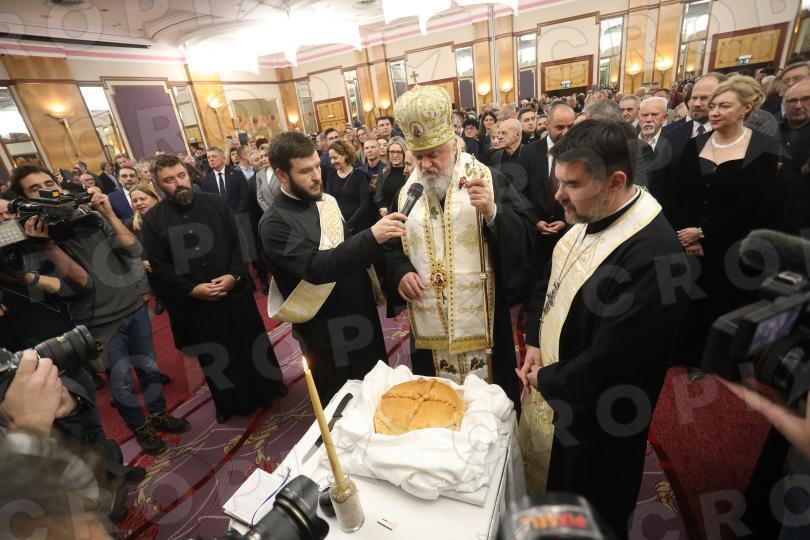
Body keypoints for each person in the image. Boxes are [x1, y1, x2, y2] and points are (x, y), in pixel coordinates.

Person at [517, 119, 689, 538]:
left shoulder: (656, 258)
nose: (558, 195)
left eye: (572, 184)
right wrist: (536, 339)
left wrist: (545, 379)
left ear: (615, 181)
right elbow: (550, 280)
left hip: (598, 424)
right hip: (559, 389)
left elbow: (614, 364)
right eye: (559, 181)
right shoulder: (592, 214)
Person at [9, 165, 189, 455]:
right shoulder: (30, 242)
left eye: (49, 183)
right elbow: (82, 283)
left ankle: (159, 414)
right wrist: (47, 245)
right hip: (98, 322)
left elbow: (134, 250)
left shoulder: (89, 216)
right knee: (122, 384)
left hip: (132, 306)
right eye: (35, 189)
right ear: (24, 201)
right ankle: (140, 428)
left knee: (149, 369)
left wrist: (108, 213)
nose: (46, 191)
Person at [384, 85, 535, 406]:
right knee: (439, 407)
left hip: (483, 320)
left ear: (453, 145)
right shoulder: (406, 192)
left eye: (433, 155)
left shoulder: (488, 179)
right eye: (419, 157)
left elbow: (525, 235)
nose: (426, 165)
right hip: (430, 323)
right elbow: (390, 245)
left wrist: (493, 213)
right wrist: (400, 271)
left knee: (492, 407)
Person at [141, 154, 288, 423]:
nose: (178, 183)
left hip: (235, 293)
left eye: (181, 176)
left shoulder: (215, 202)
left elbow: (238, 242)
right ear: (158, 185)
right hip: (198, 304)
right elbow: (161, 267)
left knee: (251, 342)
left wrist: (234, 275)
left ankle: (270, 387)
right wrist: (192, 290)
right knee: (217, 355)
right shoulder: (152, 220)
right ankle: (230, 403)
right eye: (169, 180)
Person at [260, 132, 406, 401]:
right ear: (282, 175)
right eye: (306, 171)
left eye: (318, 166)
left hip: (361, 314)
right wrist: (371, 236)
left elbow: (347, 251)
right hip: (325, 331)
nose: (317, 176)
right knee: (343, 403)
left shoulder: (326, 201)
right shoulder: (274, 224)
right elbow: (316, 268)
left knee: (377, 389)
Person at [670, 76, 781, 379]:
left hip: (726, 244)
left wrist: (703, 233)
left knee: (712, 301)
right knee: (679, 297)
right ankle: (676, 350)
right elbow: (678, 193)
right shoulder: (695, 144)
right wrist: (684, 233)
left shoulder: (762, 150)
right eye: (713, 106)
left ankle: (700, 359)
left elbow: (753, 206)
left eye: (725, 106)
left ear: (746, 108)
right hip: (683, 240)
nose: (715, 111)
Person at [325, 140, 371, 234]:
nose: (332, 161)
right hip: (337, 226)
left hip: (358, 226)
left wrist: (348, 225)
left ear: (345, 155)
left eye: (335, 158)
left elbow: (364, 205)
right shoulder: (331, 176)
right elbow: (328, 202)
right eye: (330, 158)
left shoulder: (360, 176)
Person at [374, 136, 408, 216]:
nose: (395, 155)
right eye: (392, 152)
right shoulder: (383, 172)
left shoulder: (410, 173)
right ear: (388, 153)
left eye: (399, 152)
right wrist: (382, 207)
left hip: (405, 216)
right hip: (386, 216)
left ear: (404, 153)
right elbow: (378, 196)